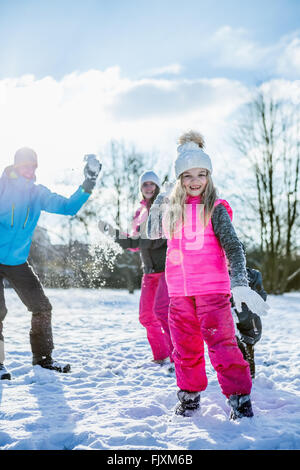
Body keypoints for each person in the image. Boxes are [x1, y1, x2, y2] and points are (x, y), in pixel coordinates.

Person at [147, 131, 269, 420]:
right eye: (187, 175)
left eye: (201, 174)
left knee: (223, 346)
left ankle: (240, 399)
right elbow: (152, 233)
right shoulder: (171, 210)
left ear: (209, 176)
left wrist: (239, 284)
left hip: (213, 292)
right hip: (179, 293)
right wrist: (159, 202)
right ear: (178, 179)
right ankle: (189, 398)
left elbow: (234, 247)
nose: (195, 181)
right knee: (184, 349)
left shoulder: (215, 208)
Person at [0, 148, 101, 379]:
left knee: (42, 307)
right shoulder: (2, 187)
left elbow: (68, 207)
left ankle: (43, 360)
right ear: (15, 166)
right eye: (24, 165)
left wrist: (89, 181)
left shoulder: (37, 194)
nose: (28, 170)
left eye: (32, 166)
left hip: (17, 261)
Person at [105, 171, 173, 366]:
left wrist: (139, 241)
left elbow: (161, 237)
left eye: (152, 184)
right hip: (149, 272)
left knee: (163, 313)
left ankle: (178, 357)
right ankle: (161, 356)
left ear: (158, 187)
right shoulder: (140, 213)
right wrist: (117, 235)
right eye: (145, 185)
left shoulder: (164, 207)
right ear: (141, 189)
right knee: (146, 316)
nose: (149, 187)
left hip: (166, 270)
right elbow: (135, 244)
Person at [231, 264, 267, 379]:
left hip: (249, 322)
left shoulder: (253, 275)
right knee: (232, 350)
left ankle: (250, 378)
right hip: (230, 320)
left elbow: (261, 297)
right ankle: (237, 378)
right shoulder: (219, 275)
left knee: (247, 349)